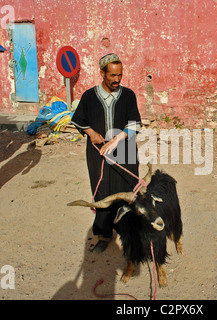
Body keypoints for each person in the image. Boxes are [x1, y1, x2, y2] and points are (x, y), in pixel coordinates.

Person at [71, 53, 142, 253]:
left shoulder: (128, 95)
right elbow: (78, 119)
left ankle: (128, 233)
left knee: (127, 192)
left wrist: (116, 140)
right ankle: (103, 235)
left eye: (119, 75)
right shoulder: (89, 96)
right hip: (98, 155)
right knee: (102, 192)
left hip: (125, 152)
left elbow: (134, 125)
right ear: (102, 73)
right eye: (112, 75)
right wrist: (91, 132)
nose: (117, 80)